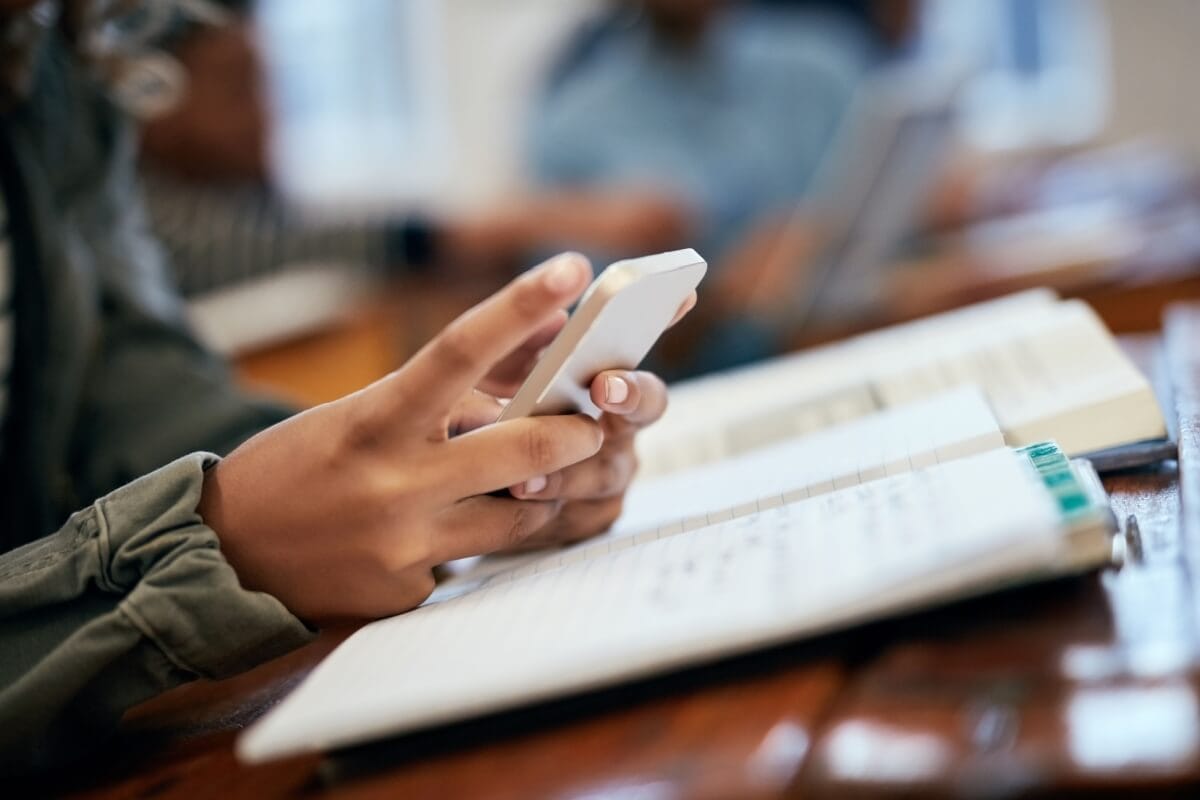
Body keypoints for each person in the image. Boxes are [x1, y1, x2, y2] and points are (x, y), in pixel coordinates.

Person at [0, 0, 692, 772]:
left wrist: (407, 478)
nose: (268, 112)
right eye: (238, 87)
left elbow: (119, 378)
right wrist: (217, 549)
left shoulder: (53, 55)